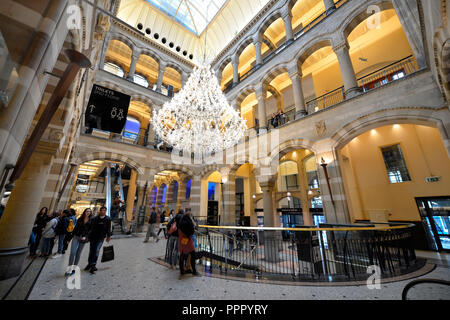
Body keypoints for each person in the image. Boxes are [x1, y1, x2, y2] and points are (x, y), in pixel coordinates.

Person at [66, 208, 92, 277]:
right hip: (76, 237)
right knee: (72, 252)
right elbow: (75, 228)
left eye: (89, 211)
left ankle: (74, 269)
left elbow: (90, 231)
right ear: (84, 212)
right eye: (87, 211)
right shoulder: (80, 219)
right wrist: (69, 239)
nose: (88, 212)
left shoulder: (91, 220)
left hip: (83, 239)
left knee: (78, 253)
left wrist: (86, 237)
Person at [86, 206, 111, 274]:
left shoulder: (108, 219)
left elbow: (108, 228)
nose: (103, 211)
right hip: (93, 237)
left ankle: (93, 264)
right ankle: (89, 264)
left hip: (100, 238)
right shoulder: (94, 218)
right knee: (91, 251)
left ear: (105, 211)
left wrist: (108, 236)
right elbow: (90, 227)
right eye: (102, 210)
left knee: (96, 250)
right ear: (100, 211)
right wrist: (88, 236)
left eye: (104, 210)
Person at [177, 212, 199, 278]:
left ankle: (182, 270)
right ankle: (194, 271)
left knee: (182, 255)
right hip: (188, 241)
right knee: (193, 255)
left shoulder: (181, 221)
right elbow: (191, 231)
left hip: (181, 240)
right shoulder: (188, 222)